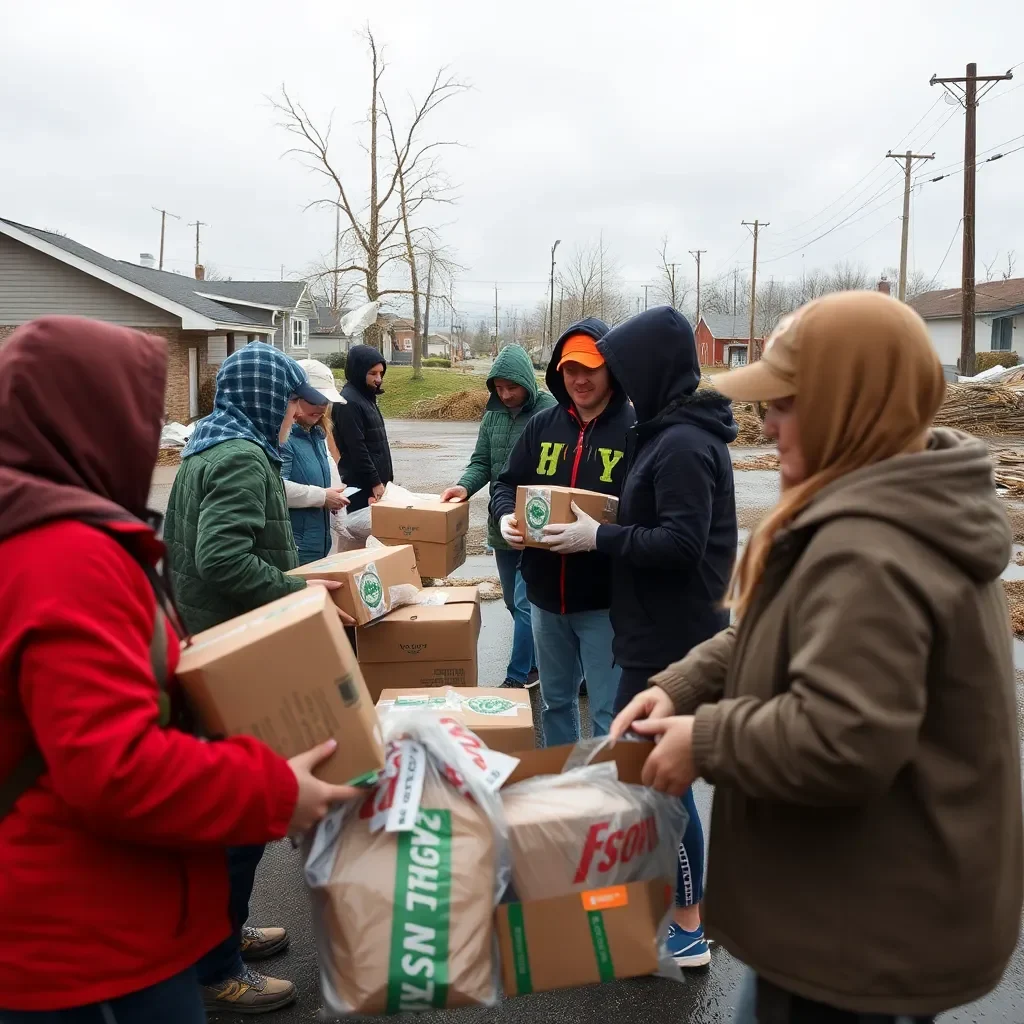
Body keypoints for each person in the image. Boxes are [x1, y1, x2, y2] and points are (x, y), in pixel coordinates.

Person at [612, 292, 1024, 1023]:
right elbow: (775, 626)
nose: (765, 423)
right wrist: (682, 685)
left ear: (849, 406)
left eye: (787, 404)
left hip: (865, 936)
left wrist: (703, 741)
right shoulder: (874, 500)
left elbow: (846, 739)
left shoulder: (875, 547)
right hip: (843, 909)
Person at [0, 317, 357, 1022]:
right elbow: (114, 768)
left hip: (92, 920)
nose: (148, 433)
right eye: (136, 413)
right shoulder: (67, 558)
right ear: (88, 422)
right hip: (89, 942)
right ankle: (218, 962)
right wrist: (272, 787)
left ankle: (218, 946)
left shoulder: (40, 528)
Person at [164, 341, 353, 1014]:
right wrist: (296, 596)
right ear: (268, 398)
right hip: (235, 654)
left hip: (206, 644)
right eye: (286, 396)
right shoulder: (244, 458)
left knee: (225, 810)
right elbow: (221, 558)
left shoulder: (205, 449)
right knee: (240, 813)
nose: (290, 411)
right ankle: (219, 968)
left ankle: (225, 935)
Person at [546, 305, 737, 968]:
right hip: (652, 632)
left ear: (655, 370)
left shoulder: (684, 444)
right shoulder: (666, 432)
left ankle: (689, 922)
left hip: (673, 641)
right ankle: (671, 904)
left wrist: (602, 536)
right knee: (644, 771)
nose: (618, 382)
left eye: (626, 369)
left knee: (661, 778)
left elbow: (682, 543)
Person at [490, 320, 634, 745]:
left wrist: (602, 534)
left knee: (609, 712)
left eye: (590, 368)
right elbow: (506, 483)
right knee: (555, 702)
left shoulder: (634, 431)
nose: (579, 379)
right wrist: (504, 518)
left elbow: (651, 513)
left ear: (611, 369)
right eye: (571, 369)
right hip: (546, 599)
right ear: (558, 371)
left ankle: (606, 800)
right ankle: (562, 791)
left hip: (605, 602)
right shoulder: (542, 426)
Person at [441, 344, 557, 687]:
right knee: (512, 600)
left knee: (524, 602)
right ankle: (538, 662)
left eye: (512, 387)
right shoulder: (492, 416)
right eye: (499, 388)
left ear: (526, 382)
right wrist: (463, 487)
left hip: (537, 524)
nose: (505, 395)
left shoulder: (549, 411)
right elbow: (481, 462)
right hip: (500, 521)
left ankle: (519, 675)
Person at [281, 358, 349, 565]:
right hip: (295, 546)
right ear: (293, 398)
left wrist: (333, 497)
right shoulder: (284, 439)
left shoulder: (316, 435)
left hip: (317, 544)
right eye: (314, 399)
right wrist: (322, 496)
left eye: (325, 401)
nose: (321, 406)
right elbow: (274, 488)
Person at [332, 344, 393, 513]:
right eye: (373, 373)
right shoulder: (348, 402)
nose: (379, 379)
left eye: (381, 373)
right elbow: (356, 448)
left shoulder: (366, 398)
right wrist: (375, 482)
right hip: (361, 488)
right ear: (358, 372)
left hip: (376, 484)